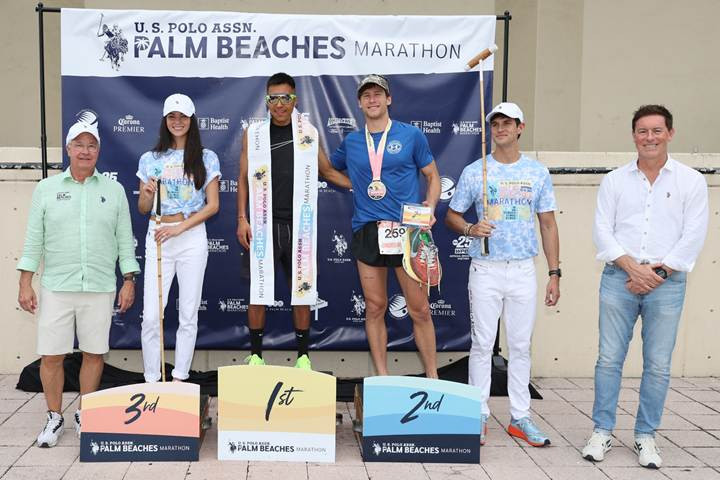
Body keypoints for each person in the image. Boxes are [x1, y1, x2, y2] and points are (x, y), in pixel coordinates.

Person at [582, 104, 708, 469]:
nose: (649, 137)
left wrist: (658, 274)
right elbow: (602, 230)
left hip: (667, 284)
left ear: (670, 133)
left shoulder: (691, 181)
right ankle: (601, 431)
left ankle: (646, 435)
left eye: (656, 130)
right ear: (634, 135)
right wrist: (632, 269)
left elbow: (694, 234)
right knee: (609, 359)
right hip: (618, 278)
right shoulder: (614, 180)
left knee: (658, 364)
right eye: (642, 131)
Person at [17, 117, 140, 447]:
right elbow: (33, 240)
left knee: (94, 353)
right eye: (79, 145)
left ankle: (86, 414)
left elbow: (124, 241)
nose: (85, 151)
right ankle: (54, 417)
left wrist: (129, 279)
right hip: (56, 286)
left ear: (99, 151)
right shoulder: (46, 189)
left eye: (91, 145)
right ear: (68, 149)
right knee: (51, 356)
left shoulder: (114, 191)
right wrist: (25, 282)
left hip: (100, 286)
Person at [445, 102, 560, 447]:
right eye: (495, 124)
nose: (500, 129)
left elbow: (548, 224)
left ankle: (520, 417)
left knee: (521, 345)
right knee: (482, 344)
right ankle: (477, 414)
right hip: (486, 268)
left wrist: (555, 272)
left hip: (523, 268)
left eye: (507, 123)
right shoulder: (475, 171)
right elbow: (452, 216)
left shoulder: (537, 172)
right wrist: (470, 228)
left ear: (520, 127)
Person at [326, 74, 441, 378]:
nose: (372, 100)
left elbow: (433, 176)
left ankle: (433, 377)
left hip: (408, 230)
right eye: (366, 95)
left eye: (378, 94)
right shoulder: (352, 142)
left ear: (388, 99)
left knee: (420, 309)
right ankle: (382, 377)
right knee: (375, 306)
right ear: (360, 103)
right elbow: (328, 170)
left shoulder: (411, 135)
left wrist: (430, 207)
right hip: (368, 229)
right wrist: (355, 185)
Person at [237, 72, 350, 370]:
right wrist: (242, 218)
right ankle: (256, 356)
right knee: (258, 291)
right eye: (273, 98)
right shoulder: (254, 134)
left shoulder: (308, 133)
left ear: (294, 100)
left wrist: (362, 187)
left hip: (299, 226)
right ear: (267, 101)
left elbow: (327, 171)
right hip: (263, 225)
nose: (279, 104)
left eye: (285, 98)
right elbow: (243, 177)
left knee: (301, 291)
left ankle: (303, 358)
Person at [137, 93, 221, 382]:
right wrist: (147, 194)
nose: (177, 121)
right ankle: (151, 379)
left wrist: (180, 228)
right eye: (172, 116)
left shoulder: (207, 157)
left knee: (188, 313)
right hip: (158, 235)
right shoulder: (149, 159)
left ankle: (180, 378)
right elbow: (143, 208)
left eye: (183, 116)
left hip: (191, 237)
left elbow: (213, 205)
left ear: (191, 120)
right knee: (151, 315)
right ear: (164, 120)